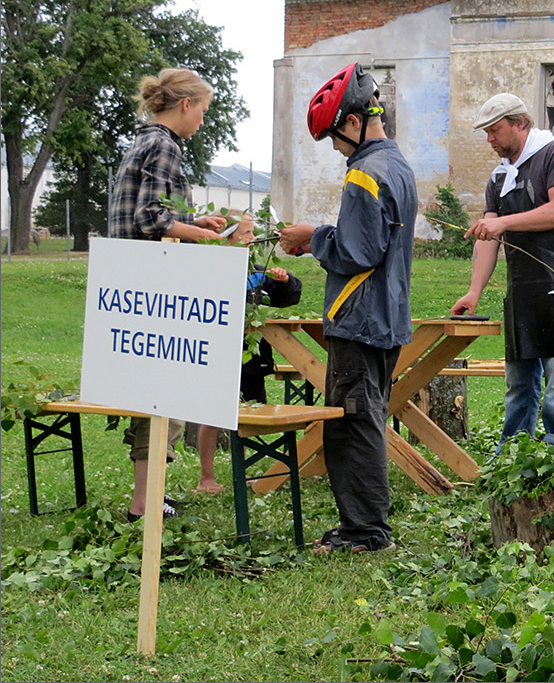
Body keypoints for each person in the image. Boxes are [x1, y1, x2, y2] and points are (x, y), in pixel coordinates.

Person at [278, 62, 416, 555]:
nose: (335, 149)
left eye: (335, 137)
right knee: (365, 420)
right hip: (387, 316)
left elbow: (358, 251)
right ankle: (365, 526)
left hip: (358, 320)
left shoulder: (364, 172)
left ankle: (365, 533)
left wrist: (309, 237)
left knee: (353, 426)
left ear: (354, 122)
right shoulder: (397, 164)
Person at [109, 67, 227, 520]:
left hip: (133, 280)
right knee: (166, 396)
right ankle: (145, 501)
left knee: (151, 397)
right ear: (185, 105)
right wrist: (207, 239)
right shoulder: (165, 146)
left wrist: (196, 223)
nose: (201, 121)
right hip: (153, 283)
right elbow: (150, 220)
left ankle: (148, 494)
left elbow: (150, 213)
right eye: (202, 111)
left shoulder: (141, 141)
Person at [451, 93, 554, 452]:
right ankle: (515, 452)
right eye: (486, 133)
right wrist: (474, 292)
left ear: (520, 123)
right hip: (522, 285)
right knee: (519, 379)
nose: (490, 140)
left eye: (495, 131)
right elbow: (489, 237)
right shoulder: (499, 177)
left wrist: (502, 222)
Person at [190, 216, 305, 494]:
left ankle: (247, 474)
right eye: (246, 233)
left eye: (252, 232)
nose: (252, 237)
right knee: (213, 415)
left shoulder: (256, 273)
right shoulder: (208, 270)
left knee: (252, 414)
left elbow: (286, 296)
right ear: (227, 237)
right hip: (218, 355)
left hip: (251, 359)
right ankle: (206, 478)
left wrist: (286, 280)